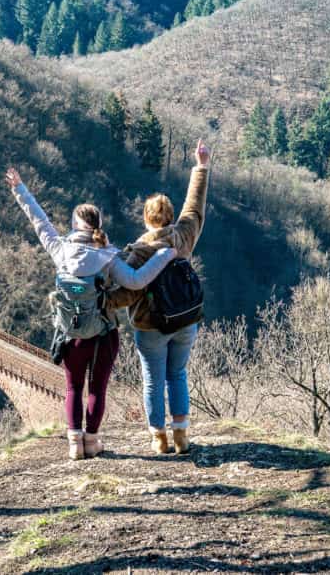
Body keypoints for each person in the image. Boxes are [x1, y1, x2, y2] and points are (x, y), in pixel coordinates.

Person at [5, 167, 176, 460]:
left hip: (70, 335)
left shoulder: (60, 251)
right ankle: (93, 441)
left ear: (74, 225)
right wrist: (164, 255)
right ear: (99, 225)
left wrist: (20, 188)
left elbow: (39, 221)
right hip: (102, 336)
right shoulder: (107, 257)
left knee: (73, 387)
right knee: (97, 388)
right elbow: (136, 281)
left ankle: (74, 444)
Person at [108, 139, 211, 455]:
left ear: (147, 219)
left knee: (153, 381)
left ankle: (159, 437)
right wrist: (201, 166)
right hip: (185, 320)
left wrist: (99, 304)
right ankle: (181, 435)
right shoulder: (182, 237)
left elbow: (126, 293)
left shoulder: (138, 253)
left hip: (150, 326)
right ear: (169, 217)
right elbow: (194, 207)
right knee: (177, 375)